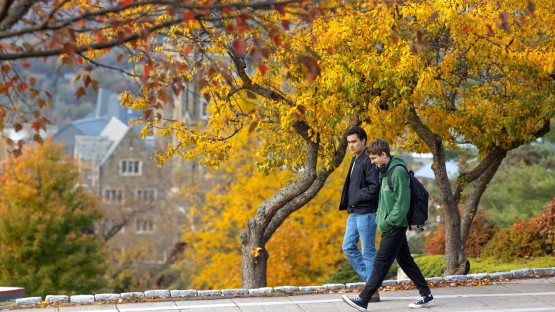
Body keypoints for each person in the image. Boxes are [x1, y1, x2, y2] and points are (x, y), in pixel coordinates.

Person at [342, 138, 434, 311]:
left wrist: (389, 222)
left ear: (383, 155)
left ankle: (363, 299)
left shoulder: (397, 172)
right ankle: (426, 294)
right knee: (406, 262)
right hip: (389, 226)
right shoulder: (385, 171)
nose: (373, 162)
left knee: (380, 265)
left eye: (374, 159)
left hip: (395, 226)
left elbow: (402, 203)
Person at [339, 127, 380, 302]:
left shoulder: (368, 161)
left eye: (354, 141)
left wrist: (356, 196)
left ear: (363, 141)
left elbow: (374, 187)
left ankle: (372, 291)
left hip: (366, 214)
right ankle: (372, 283)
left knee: (368, 252)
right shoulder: (355, 160)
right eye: (349, 142)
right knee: (347, 247)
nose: (351, 145)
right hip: (354, 212)